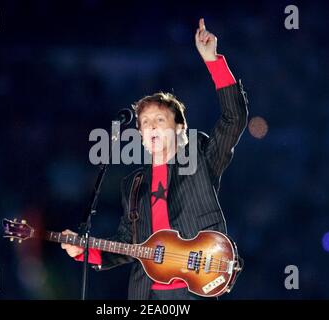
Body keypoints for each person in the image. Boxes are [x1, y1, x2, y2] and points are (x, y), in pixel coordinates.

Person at [62, 18, 248, 300]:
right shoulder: (133, 184)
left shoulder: (200, 159)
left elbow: (234, 119)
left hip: (193, 290)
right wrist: (85, 250)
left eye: (159, 119)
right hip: (146, 295)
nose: (150, 126)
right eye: (145, 122)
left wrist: (214, 62)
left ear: (179, 128)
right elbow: (127, 245)